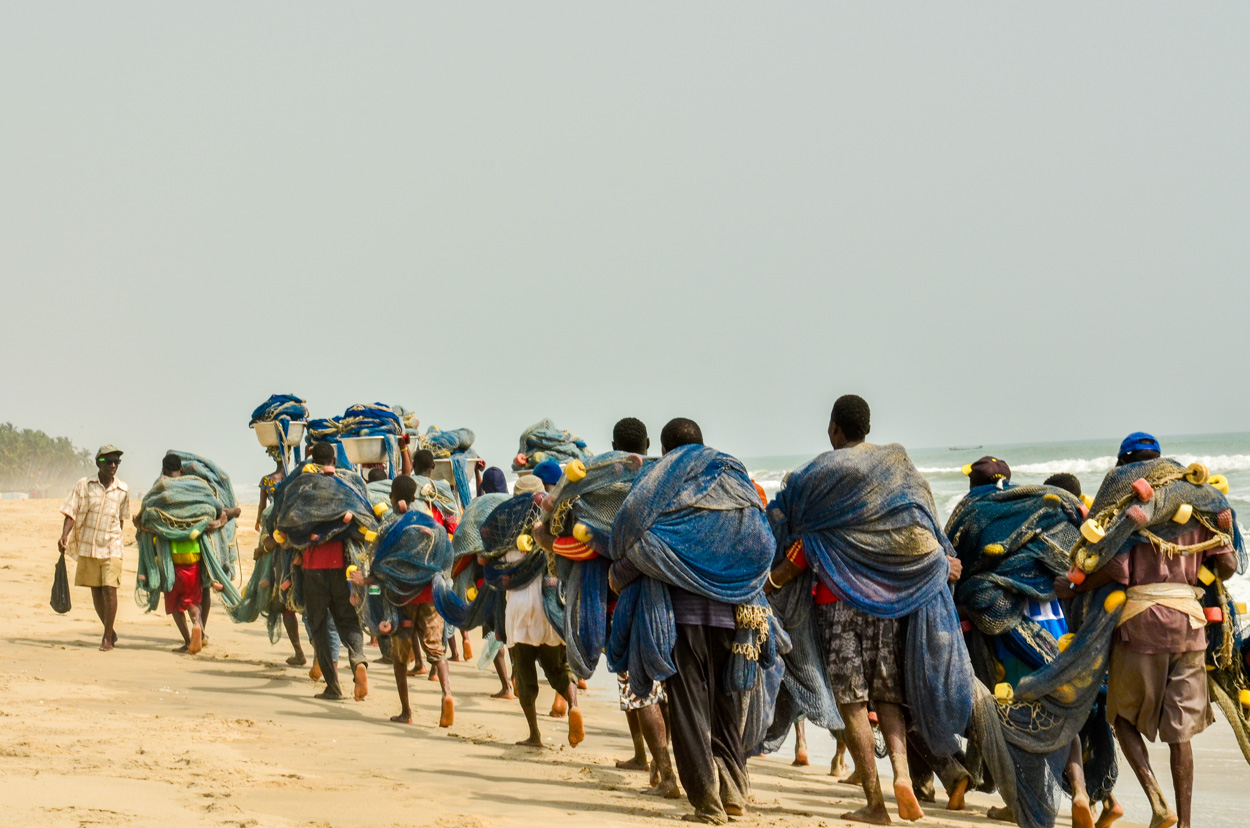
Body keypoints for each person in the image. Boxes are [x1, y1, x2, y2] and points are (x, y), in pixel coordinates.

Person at [766, 396, 959, 824]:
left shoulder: (816, 475)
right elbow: (921, 519)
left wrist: (774, 578)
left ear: (834, 428)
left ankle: (874, 803)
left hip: (834, 605)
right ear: (867, 427)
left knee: (852, 702)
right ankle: (903, 778)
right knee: (888, 697)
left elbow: (794, 530)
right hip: (885, 604)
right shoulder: (896, 466)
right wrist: (941, 559)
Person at [1057, 432, 1237, 828]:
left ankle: (1157, 802)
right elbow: (1228, 566)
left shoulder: (1132, 507)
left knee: (1121, 718)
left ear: (1125, 466)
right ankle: (1185, 823)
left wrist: (1071, 585)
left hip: (1141, 626)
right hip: (1190, 628)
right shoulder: (1197, 501)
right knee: (1180, 735)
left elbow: (1117, 571)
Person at [609, 417, 774, 824]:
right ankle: (734, 791)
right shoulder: (730, 474)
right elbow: (759, 536)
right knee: (724, 704)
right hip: (736, 616)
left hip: (681, 619)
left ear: (666, 451)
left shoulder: (663, 481)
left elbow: (637, 537)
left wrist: (619, 575)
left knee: (687, 709)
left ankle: (707, 802)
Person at [484, 490, 584, 748]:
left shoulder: (509, 541)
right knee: (557, 669)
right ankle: (573, 705)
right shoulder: (554, 537)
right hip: (550, 610)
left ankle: (535, 735)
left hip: (519, 613)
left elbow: (493, 573)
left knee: (525, 673)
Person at [353, 475, 455, 727]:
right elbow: (445, 560)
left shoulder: (390, 527)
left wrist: (363, 581)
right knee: (436, 651)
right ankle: (447, 694)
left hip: (402, 601)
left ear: (395, 498)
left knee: (400, 659)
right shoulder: (431, 524)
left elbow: (381, 568)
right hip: (430, 596)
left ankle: (406, 712)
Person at [295, 442, 369, 702]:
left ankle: (333, 686)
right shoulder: (346, 485)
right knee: (348, 620)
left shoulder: (306, 486)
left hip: (314, 567)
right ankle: (358, 661)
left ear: (312, 459)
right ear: (334, 459)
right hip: (342, 565)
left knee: (318, 627)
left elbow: (294, 522)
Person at [148, 454, 241, 654]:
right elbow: (213, 510)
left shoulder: (162, 492)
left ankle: (188, 638)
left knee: (174, 603)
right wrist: (225, 518)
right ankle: (199, 627)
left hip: (170, 559)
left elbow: (148, 518)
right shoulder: (195, 490)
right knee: (195, 598)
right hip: (195, 557)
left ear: (164, 471)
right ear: (181, 470)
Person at [58, 445, 130, 652]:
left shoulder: (123, 490)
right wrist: (64, 535)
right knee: (96, 591)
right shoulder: (84, 485)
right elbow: (71, 512)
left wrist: (118, 541)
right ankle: (111, 630)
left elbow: (121, 520)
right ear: (99, 463)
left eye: (117, 462)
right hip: (88, 544)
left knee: (110, 589)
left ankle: (107, 637)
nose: (113, 465)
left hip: (112, 546)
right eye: (109, 462)